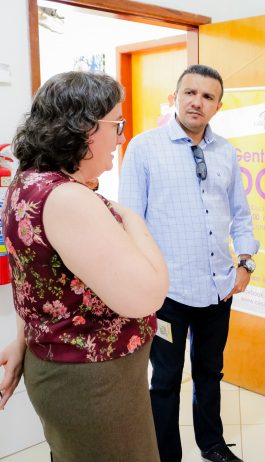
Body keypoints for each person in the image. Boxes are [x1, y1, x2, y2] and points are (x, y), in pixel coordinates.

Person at [0, 71, 169, 462]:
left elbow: (38, 285)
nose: (121, 138)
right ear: (84, 127)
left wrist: (21, 341)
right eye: (117, 125)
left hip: (70, 372)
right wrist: (131, 218)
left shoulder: (29, 181)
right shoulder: (69, 199)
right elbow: (148, 295)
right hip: (94, 383)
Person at [119, 64, 259, 462]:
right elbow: (131, 221)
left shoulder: (225, 151)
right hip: (167, 293)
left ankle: (212, 444)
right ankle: (167, 456)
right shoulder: (144, 148)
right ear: (175, 97)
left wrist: (246, 264)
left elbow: (241, 214)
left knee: (210, 373)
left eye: (208, 96)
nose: (198, 102)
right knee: (164, 380)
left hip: (218, 287)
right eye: (190, 93)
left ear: (218, 106)